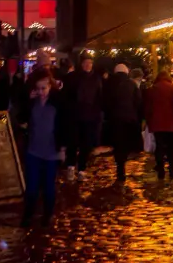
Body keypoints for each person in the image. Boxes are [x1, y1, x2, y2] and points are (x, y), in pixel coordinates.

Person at [20, 68, 65, 227]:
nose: (41, 92)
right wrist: (28, 101)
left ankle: (48, 214)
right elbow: (22, 120)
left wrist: (64, 148)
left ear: (50, 85)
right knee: (31, 186)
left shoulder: (58, 101)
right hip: (34, 150)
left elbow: (65, 125)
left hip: (52, 151)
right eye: (38, 89)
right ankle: (28, 214)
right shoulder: (33, 101)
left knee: (48, 186)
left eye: (43, 88)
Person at [62, 52, 103, 181]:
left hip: (89, 116)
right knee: (73, 143)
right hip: (75, 116)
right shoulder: (72, 78)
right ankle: (70, 167)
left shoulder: (96, 78)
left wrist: (97, 113)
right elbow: (66, 96)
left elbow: (99, 97)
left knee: (86, 144)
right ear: (81, 64)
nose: (88, 65)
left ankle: (82, 169)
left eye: (90, 63)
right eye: (86, 63)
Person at [103, 63, 141, 183]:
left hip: (114, 120)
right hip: (129, 119)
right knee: (125, 143)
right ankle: (122, 164)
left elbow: (104, 101)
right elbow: (138, 102)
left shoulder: (108, 84)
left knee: (117, 143)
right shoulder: (131, 84)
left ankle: (120, 167)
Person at [144, 70, 173, 180]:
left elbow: (148, 108)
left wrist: (148, 121)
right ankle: (172, 170)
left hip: (157, 124)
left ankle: (161, 170)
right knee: (172, 147)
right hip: (171, 123)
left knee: (159, 147)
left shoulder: (152, 89)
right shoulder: (172, 88)